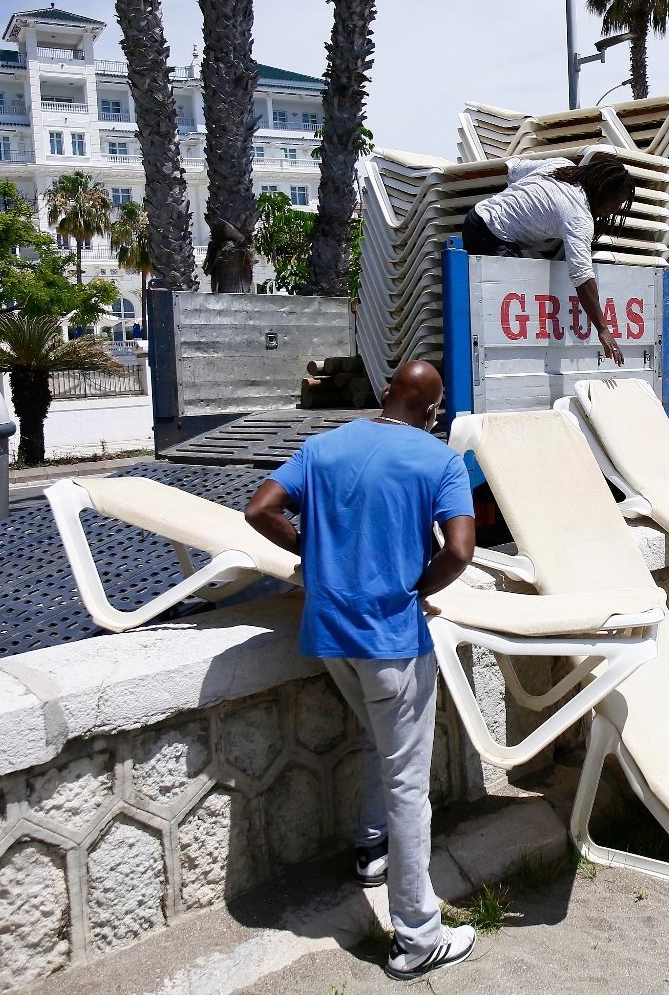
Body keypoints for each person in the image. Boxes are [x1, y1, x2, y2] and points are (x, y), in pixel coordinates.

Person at [244, 361, 478, 982]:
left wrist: (311, 551)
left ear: (383, 394)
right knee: (408, 780)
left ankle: (372, 849)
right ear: (432, 412)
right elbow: (459, 551)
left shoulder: (322, 447)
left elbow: (260, 508)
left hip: (330, 635)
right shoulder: (439, 461)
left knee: (378, 741)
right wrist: (414, 589)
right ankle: (417, 936)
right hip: (391, 640)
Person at [463, 155, 636, 366]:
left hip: (478, 215)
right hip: (493, 233)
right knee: (495, 310)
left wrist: (524, 205)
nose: (615, 209)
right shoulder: (577, 215)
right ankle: (462, 371)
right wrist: (602, 328)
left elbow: (514, 169)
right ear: (604, 190)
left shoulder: (561, 165)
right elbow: (582, 277)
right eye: (616, 203)